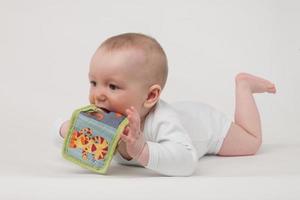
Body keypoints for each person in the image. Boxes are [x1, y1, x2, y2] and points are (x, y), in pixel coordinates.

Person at [57, 32, 276, 176]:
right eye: (94, 83)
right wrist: (67, 129)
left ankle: (244, 86)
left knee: (250, 143)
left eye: (112, 86)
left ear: (151, 96)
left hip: (207, 126)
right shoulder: (104, 117)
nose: (98, 95)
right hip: (185, 111)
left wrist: (142, 149)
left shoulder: (163, 120)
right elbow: (57, 131)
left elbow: (187, 161)